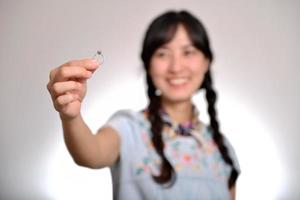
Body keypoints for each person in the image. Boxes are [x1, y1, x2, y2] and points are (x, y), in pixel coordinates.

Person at [47, 10, 240, 200]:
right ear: (148, 65)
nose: (176, 67)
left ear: (206, 62)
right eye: (163, 54)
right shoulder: (128, 127)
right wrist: (70, 116)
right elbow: (90, 154)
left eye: (188, 52)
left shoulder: (223, 149)